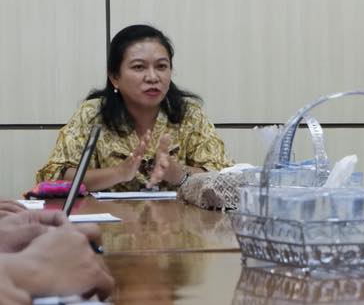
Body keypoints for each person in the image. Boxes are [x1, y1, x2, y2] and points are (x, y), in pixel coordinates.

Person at [37, 24, 232, 192]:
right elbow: (56, 176)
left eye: (161, 66)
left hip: (177, 221)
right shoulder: (92, 114)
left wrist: (179, 174)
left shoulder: (189, 114)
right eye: (139, 67)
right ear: (115, 77)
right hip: (109, 221)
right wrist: (119, 173)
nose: (153, 77)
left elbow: (225, 176)